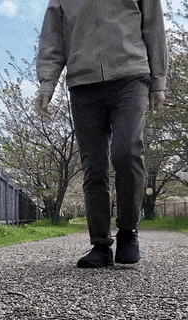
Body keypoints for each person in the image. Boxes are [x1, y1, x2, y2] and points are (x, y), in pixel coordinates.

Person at [35, 0, 168, 268]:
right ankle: (100, 244)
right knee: (93, 166)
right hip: (83, 84)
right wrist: (47, 84)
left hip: (130, 76)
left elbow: (154, 27)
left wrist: (158, 82)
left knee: (127, 152)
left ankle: (128, 231)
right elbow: (53, 38)